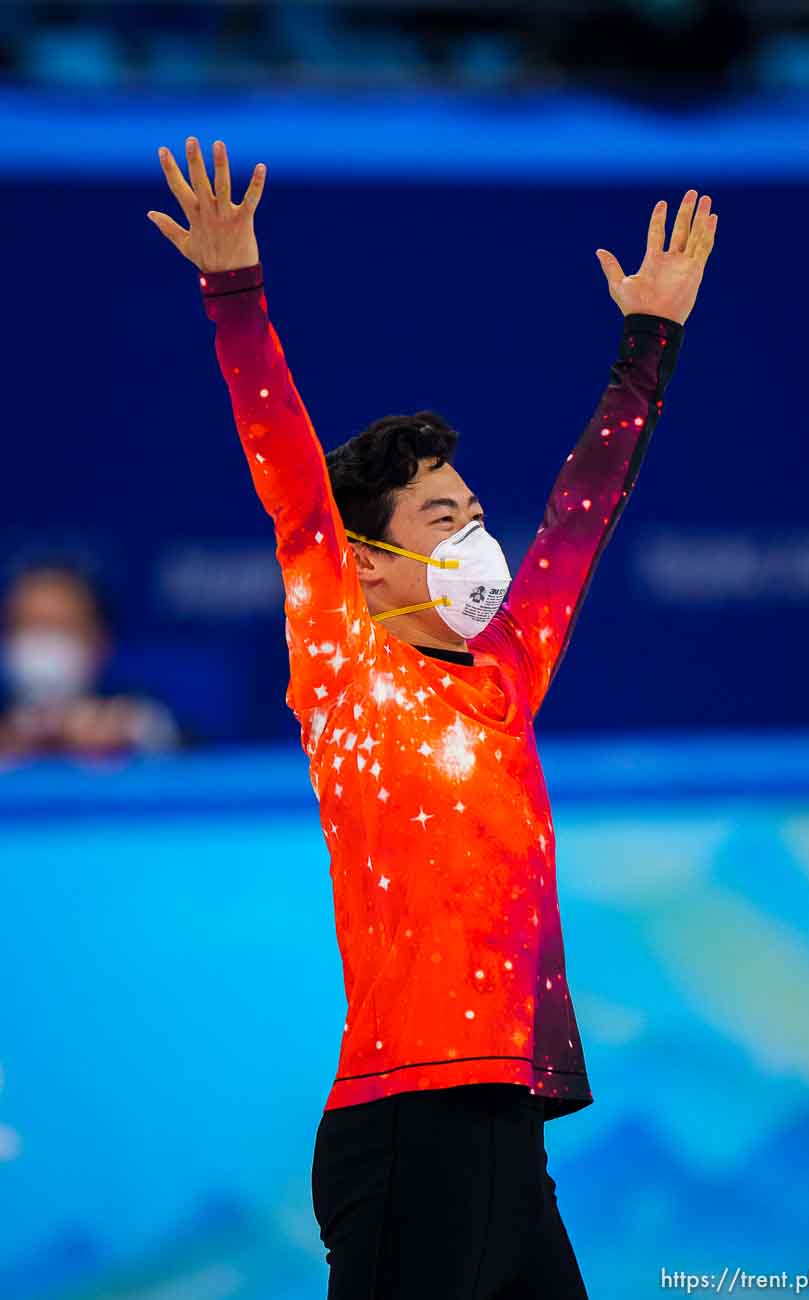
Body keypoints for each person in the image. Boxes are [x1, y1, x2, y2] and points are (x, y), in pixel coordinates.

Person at [147, 136, 717, 1299]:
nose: (475, 538)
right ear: (370, 560)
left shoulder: (505, 674)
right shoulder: (345, 661)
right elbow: (295, 491)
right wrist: (236, 296)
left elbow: (581, 516)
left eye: (472, 511)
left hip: (505, 1123)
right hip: (407, 1120)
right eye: (440, 516)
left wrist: (646, 347)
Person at [0, 563, 180, 759]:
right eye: (28, 625)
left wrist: (141, 732)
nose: (43, 640)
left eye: (60, 627)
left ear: (99, 641)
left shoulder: (132, 719)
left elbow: (195, 752)